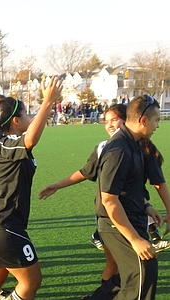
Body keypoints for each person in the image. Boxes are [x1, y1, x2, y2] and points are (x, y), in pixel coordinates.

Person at [0, 76, 62, 300]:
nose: (29, 118)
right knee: (31, 282)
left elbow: (31, 135)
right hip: (4, 226)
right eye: (25, 114)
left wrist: (48, 106)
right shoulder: (7, 143)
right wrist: (48, 102)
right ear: (15, 121)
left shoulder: (5, 144)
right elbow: (31, 140)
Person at [96, 95, 163, 299]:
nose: (157, 126)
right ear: (143, 121)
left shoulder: (134, 142)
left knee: (130, 279)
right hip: (116, 225)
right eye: (156, 120)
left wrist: (145, 205)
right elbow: (109, 200)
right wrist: (134, 240)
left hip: (132, 218)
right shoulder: (118, 150)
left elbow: (129, 187)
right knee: (142, 274)